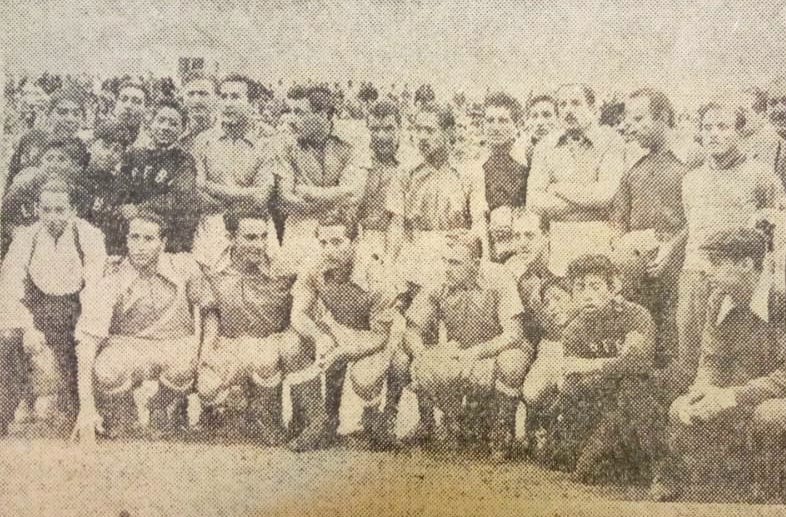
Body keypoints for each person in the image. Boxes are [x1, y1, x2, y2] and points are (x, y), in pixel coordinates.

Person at [651, 228, 786, 502]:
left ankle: (769, 492)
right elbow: (711, 361)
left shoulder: (780, 301)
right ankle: (687, 479)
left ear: (746, 264)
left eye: (716, 263)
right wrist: (702, 391)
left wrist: (729, 396)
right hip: (739, 396)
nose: (706, 271)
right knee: (681, 407)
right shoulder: (718, 299)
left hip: (772, 397)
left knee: (770, 414)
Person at [70, 210, 216, 442]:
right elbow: (87, 342)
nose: (140, 246)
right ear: (127, 240)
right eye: (135, 237)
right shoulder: (112, 276)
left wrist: (205, 351)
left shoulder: (184, 266)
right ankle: (122, 410)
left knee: (184, 367)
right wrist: (86, 408)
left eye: (149, 239)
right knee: (107, 370)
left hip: (173, 344)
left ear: (163, 243)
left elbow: (209, 309)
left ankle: (163, 405)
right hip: (128, 346)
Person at [675, 102, 785, 395]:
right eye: (707, 127)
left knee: (734, 365)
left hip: (737, 279)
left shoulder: (761, 175)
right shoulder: (691, 180)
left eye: (723, 126)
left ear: (739, 131)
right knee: (691, 360)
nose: (714, 134)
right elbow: (691, 227)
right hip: (695, 275)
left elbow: (776, 226)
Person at [404, 231, 531, 460]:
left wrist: (477, 352)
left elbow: (514, 334)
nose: (447, 268)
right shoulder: (440, 278)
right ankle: (438, 423)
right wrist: (423, 355)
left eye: (455, 263)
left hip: (497, 351)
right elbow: (412, 330)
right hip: (462, 356)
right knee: (419, 362)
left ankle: (502, 430)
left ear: (475, 263)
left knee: (511, 363)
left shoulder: (499, 276)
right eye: (445, 260)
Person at [285, 214, 401, 451]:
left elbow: (380, 336)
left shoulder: (376, 273)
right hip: (338, 328)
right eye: (323, 243)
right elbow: (298, 314)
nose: (328, 251)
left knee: (367, 377)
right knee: (292, 345)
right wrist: (318, 337)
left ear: (355, 241)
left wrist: (342, 352)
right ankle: (319, 421)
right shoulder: (314, 265)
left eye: (337, 242)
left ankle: (378, 418)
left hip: (375, 334)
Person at [548, 255, 666, 486]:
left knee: (632, 386)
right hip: (607, 397)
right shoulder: (574, 330)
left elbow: (639, 363)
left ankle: (661, 470)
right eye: (580, 287)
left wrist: (594, 366)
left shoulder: (635, 315)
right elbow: (573, 373)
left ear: (613, 288)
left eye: (595, 286)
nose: (587, 295)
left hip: (646, 394)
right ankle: (597, 453)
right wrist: (608, 368)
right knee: (571, 390)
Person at [0, 179, 106, 434]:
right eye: (46, 210)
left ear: (73, 210)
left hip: (75, 311)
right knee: (7, 338)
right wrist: (27, 328)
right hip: (37, 310)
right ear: (37, 209)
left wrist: (84, 332)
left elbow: (95, 289)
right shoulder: (26, 238)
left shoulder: (89, 236)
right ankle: (3, 413)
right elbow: (10, 289)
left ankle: (86, 410)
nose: (52, 217)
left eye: (60, 210)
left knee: (75, 412)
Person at [196, 209, 299, 445]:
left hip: (268, 342)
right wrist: (207, 351)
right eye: (250, 238)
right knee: (207, 385)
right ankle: (229, 411)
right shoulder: (213, 270)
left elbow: (298, 308)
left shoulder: (282, 270)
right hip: (230, 342)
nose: (259, 245)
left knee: (265, 362)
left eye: (263, 237)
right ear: (231, 238)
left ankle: (268, 415)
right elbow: (211, 314)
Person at [611, 89, 687, 368]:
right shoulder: (632, 164)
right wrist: (621, 245)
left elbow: (699, 218)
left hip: (677, 266)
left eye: (638, 119)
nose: (629, 126)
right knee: (638, 338)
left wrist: (670, 248)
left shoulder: (691, 160)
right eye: (627, 119)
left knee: (672, 342)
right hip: (636, 270)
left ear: (663, 117)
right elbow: (618, 215)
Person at [526, 83, 626, 276]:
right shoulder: (545, 146)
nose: (568, 110)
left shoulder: (611, 141)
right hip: (558, 241)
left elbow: (605, 195)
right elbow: (534, 201)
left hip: (600, 238)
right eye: (562, 105)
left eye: (575, 103)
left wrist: (557, 188)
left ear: (593, 109)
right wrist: (591, 205)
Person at [387, 102, 487, 289]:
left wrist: (484, 264)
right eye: (418, 130)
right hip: (415, 256)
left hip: (454, 256)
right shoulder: (405, 172)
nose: (422, 137)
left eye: (429, 130)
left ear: (448, 133)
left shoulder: (470, 172)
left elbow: (479, 220)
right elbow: (396, 224)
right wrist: (389, 266)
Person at [276, 85, 367, 275]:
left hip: (339, 229)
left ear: (323, 114)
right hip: (299, 230)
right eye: (291, 112)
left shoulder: (352, 141)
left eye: (299, 113)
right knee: (292, 282)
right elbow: (285, 198)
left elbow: (355, 195)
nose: (292, 120)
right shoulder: (286, 142)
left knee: (344, 282)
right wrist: (335, 199)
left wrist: (307, 192)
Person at [191, 74, 276, 268]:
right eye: (224, 97)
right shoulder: (203, 140)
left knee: (269, 275)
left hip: (254, 223)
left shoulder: (265, 143)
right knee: (207, 276)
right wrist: (247, 193)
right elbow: (198, 191)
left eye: (236, 97)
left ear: (251, 103)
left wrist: (211, 186)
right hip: (212, 224)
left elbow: (261, 198)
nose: (228, 103)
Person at [104, 99, 199, 255]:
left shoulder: (184, 160)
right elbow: (119, 190)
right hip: (129, 229)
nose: (165, 127)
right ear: (151, 123)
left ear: (182, 129)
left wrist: (139, 209)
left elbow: (180, 197)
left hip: (165, 232)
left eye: (173, 124)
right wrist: (123, 208)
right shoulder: (134, 155)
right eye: (161, 120)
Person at [471, 92, 529, 212]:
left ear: (517, 125)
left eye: (503, 121)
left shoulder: (527, 165)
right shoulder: (474, 167)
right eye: (490, 121)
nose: (495, 128)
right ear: (483, 125)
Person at [179, 71, 218, 153]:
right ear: (183, 100)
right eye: (190, 94)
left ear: (216, 99)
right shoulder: (177, 136)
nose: (196, 100)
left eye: (203, 94)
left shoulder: (225, 137)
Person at [522, 94, 558, 167]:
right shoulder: (522, 157)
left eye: (546, 115)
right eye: (534, 116)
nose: (540, 122)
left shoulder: (568, 153)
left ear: (557, 119)